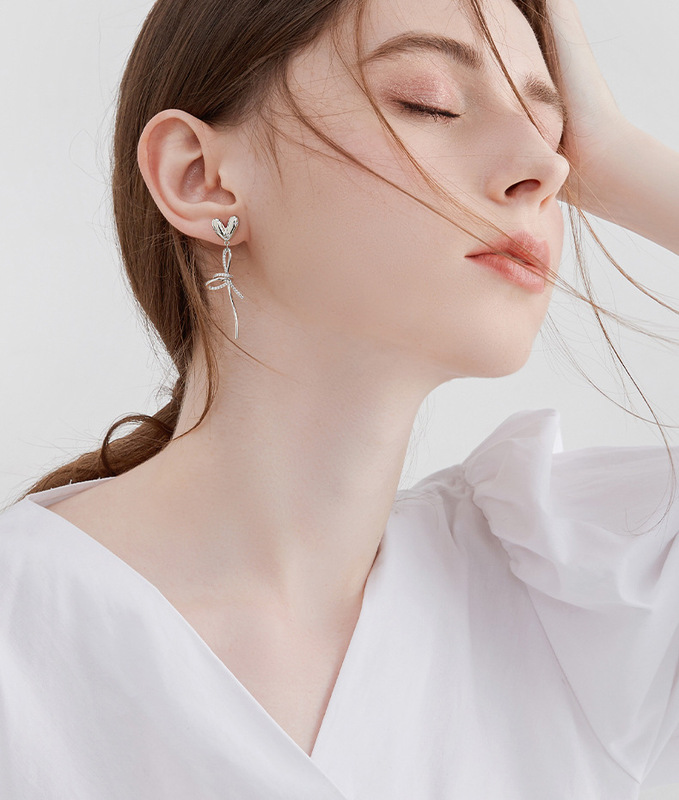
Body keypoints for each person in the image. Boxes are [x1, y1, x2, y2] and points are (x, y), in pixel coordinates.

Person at [1, 0, 678, 796]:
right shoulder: (25, 642)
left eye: (553, 130)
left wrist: (618, 155)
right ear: (199, 177)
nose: (547, 166)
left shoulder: (578, 597)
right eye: (429, 101)